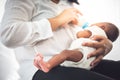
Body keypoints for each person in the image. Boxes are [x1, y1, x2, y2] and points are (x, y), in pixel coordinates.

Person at [0, 0, 119, 80]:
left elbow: (81, 34)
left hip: (76, 62)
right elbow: (8, 35)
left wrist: (106, 43)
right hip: (42, 67)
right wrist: (58, 20)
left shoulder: (68, 4)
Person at [34, 22, 119, 73]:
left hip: (83, 54)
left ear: (102, 26)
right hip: (87, 62)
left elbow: (80, 35)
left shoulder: (97, 30)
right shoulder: (102, 41)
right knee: (66, 55)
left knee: (65, 53)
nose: (92, 24)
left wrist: (81, 31)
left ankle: (48, 65)